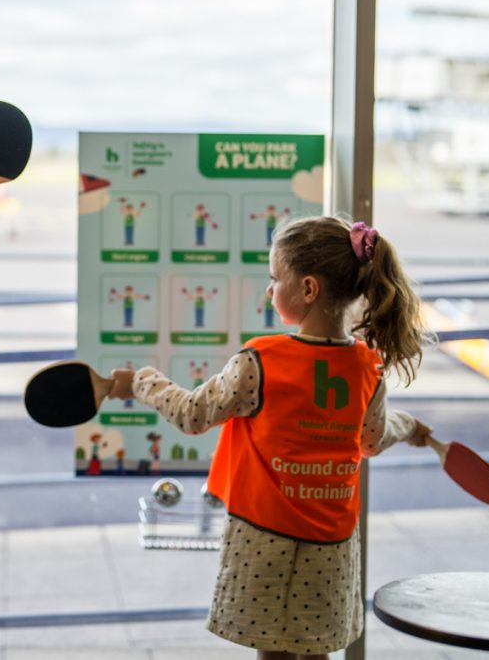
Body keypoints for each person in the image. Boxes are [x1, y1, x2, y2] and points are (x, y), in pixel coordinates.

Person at [109, 216, 434, 660]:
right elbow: (372, 439)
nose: (269, 289)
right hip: (332, 547)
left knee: (272, 654)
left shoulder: (259, 362)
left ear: (308, 289)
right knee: (318, 652)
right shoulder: (366, 367)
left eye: (274, 278)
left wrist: (141, 383)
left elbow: (192, 415)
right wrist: (410, 426)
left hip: (265, 541)